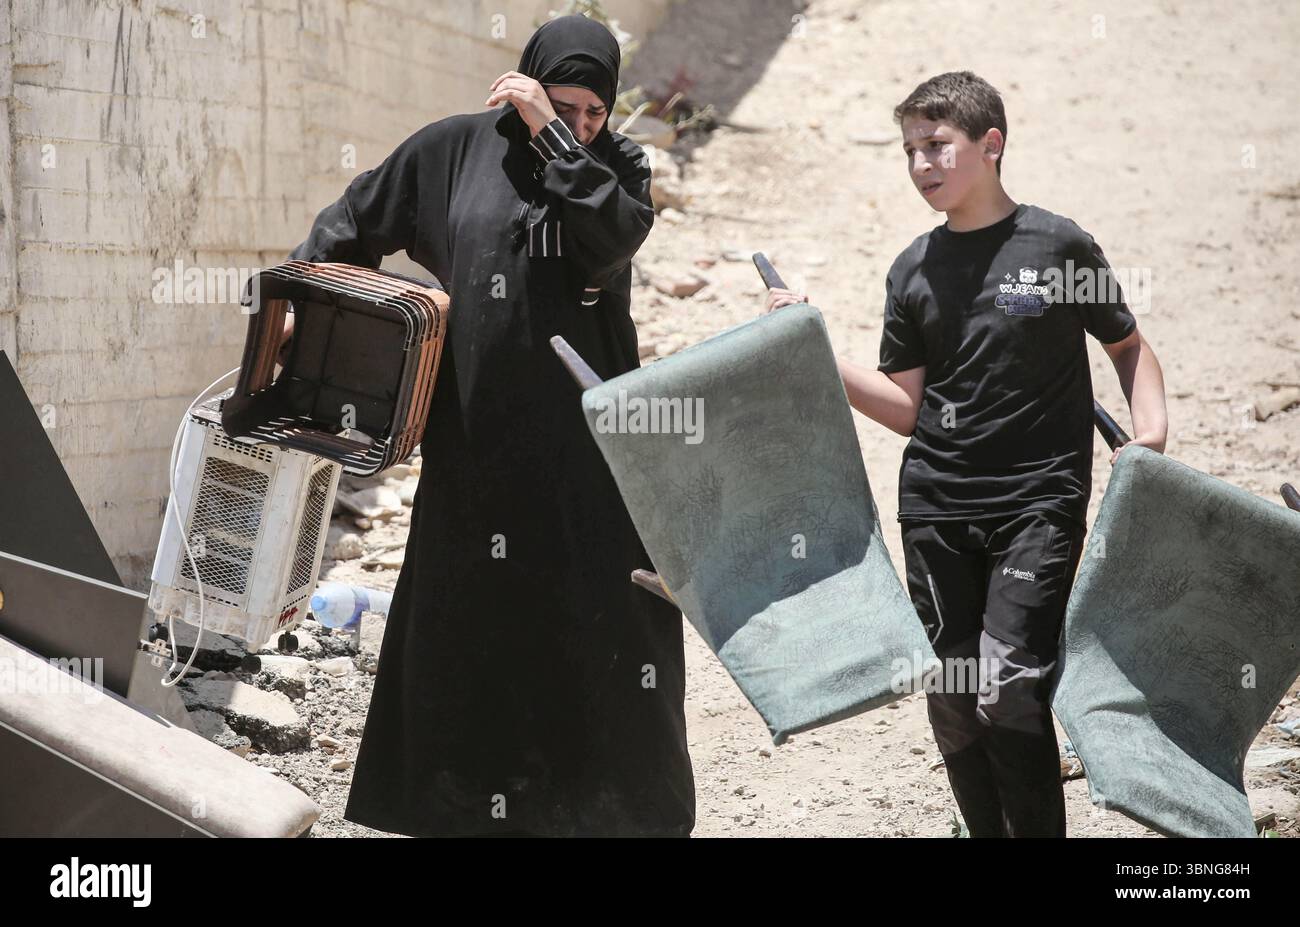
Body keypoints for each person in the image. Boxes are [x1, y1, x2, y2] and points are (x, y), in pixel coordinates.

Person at [286, 14, 694, 836]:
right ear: (527, 80)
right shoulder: (452, 151)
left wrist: (553, 136)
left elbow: (609, 242)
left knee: (601, 629)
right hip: (474, 443)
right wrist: (318, 310)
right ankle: (461, 810)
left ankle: (605, 815)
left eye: (594, 110)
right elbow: (349, 224)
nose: (582, 123)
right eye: (563, 104)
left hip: (591, 453)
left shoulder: (616, 169)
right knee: (468, 624)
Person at [767, 71, 1168, 836]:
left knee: (1008, 685)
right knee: (953, 694)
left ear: (991, 146)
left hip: (1038, 505)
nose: (923, 164)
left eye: (938, 146)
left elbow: (1126, 345)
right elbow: (903, 409)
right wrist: (813, 341)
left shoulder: (1058, 244)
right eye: (911, 150)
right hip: (937, 507)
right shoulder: (912, 270)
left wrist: (1148, 433)